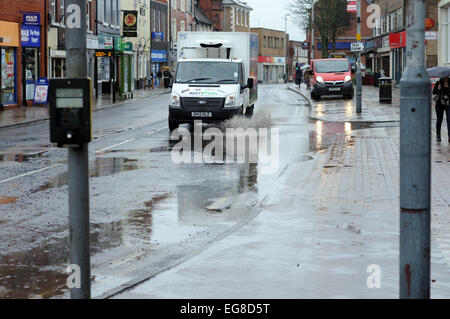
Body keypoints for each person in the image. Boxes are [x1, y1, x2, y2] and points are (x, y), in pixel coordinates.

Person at [432, 77, 450, 142]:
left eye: (447, 76)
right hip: (439, 105)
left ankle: (449, 136)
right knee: (439, 119)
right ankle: (438, 135)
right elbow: (434, 93)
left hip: (448, 104)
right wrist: (439, 89)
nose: (446, 77)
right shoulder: (438, 83)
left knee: (449, 119)